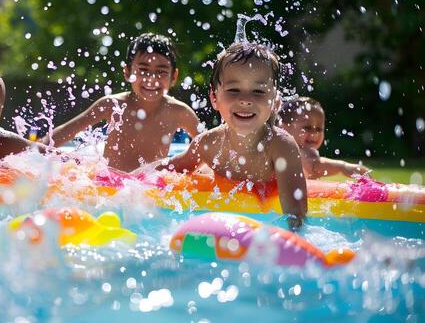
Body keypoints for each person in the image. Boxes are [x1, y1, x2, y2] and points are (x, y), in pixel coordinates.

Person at [159, 42, 307, 229]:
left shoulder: (280, 147)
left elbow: (296, 218)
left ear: (275, 102)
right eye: (233, 90)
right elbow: (170, 168)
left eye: (258, 91)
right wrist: (127, 180)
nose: (245, 100)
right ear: (214, 98)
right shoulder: (208, 144)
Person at [41, 33, 201, 172]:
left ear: (174, 77)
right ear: (127, 72)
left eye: (161, 72)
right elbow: (63, 133)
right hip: (110, 186)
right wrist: (34, 151)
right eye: (143, 70)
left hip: (151, 187)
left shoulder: (179, 112)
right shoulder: (112, 105)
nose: (151, 79)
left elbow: (209, 148)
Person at [279, 96, 370, 179]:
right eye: (307, 127)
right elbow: (315, 164)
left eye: (319, 129)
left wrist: (343, 167)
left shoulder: (309, 154)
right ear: (283, 128)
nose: (314, 134)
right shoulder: (285, 150)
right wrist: (342, 167)